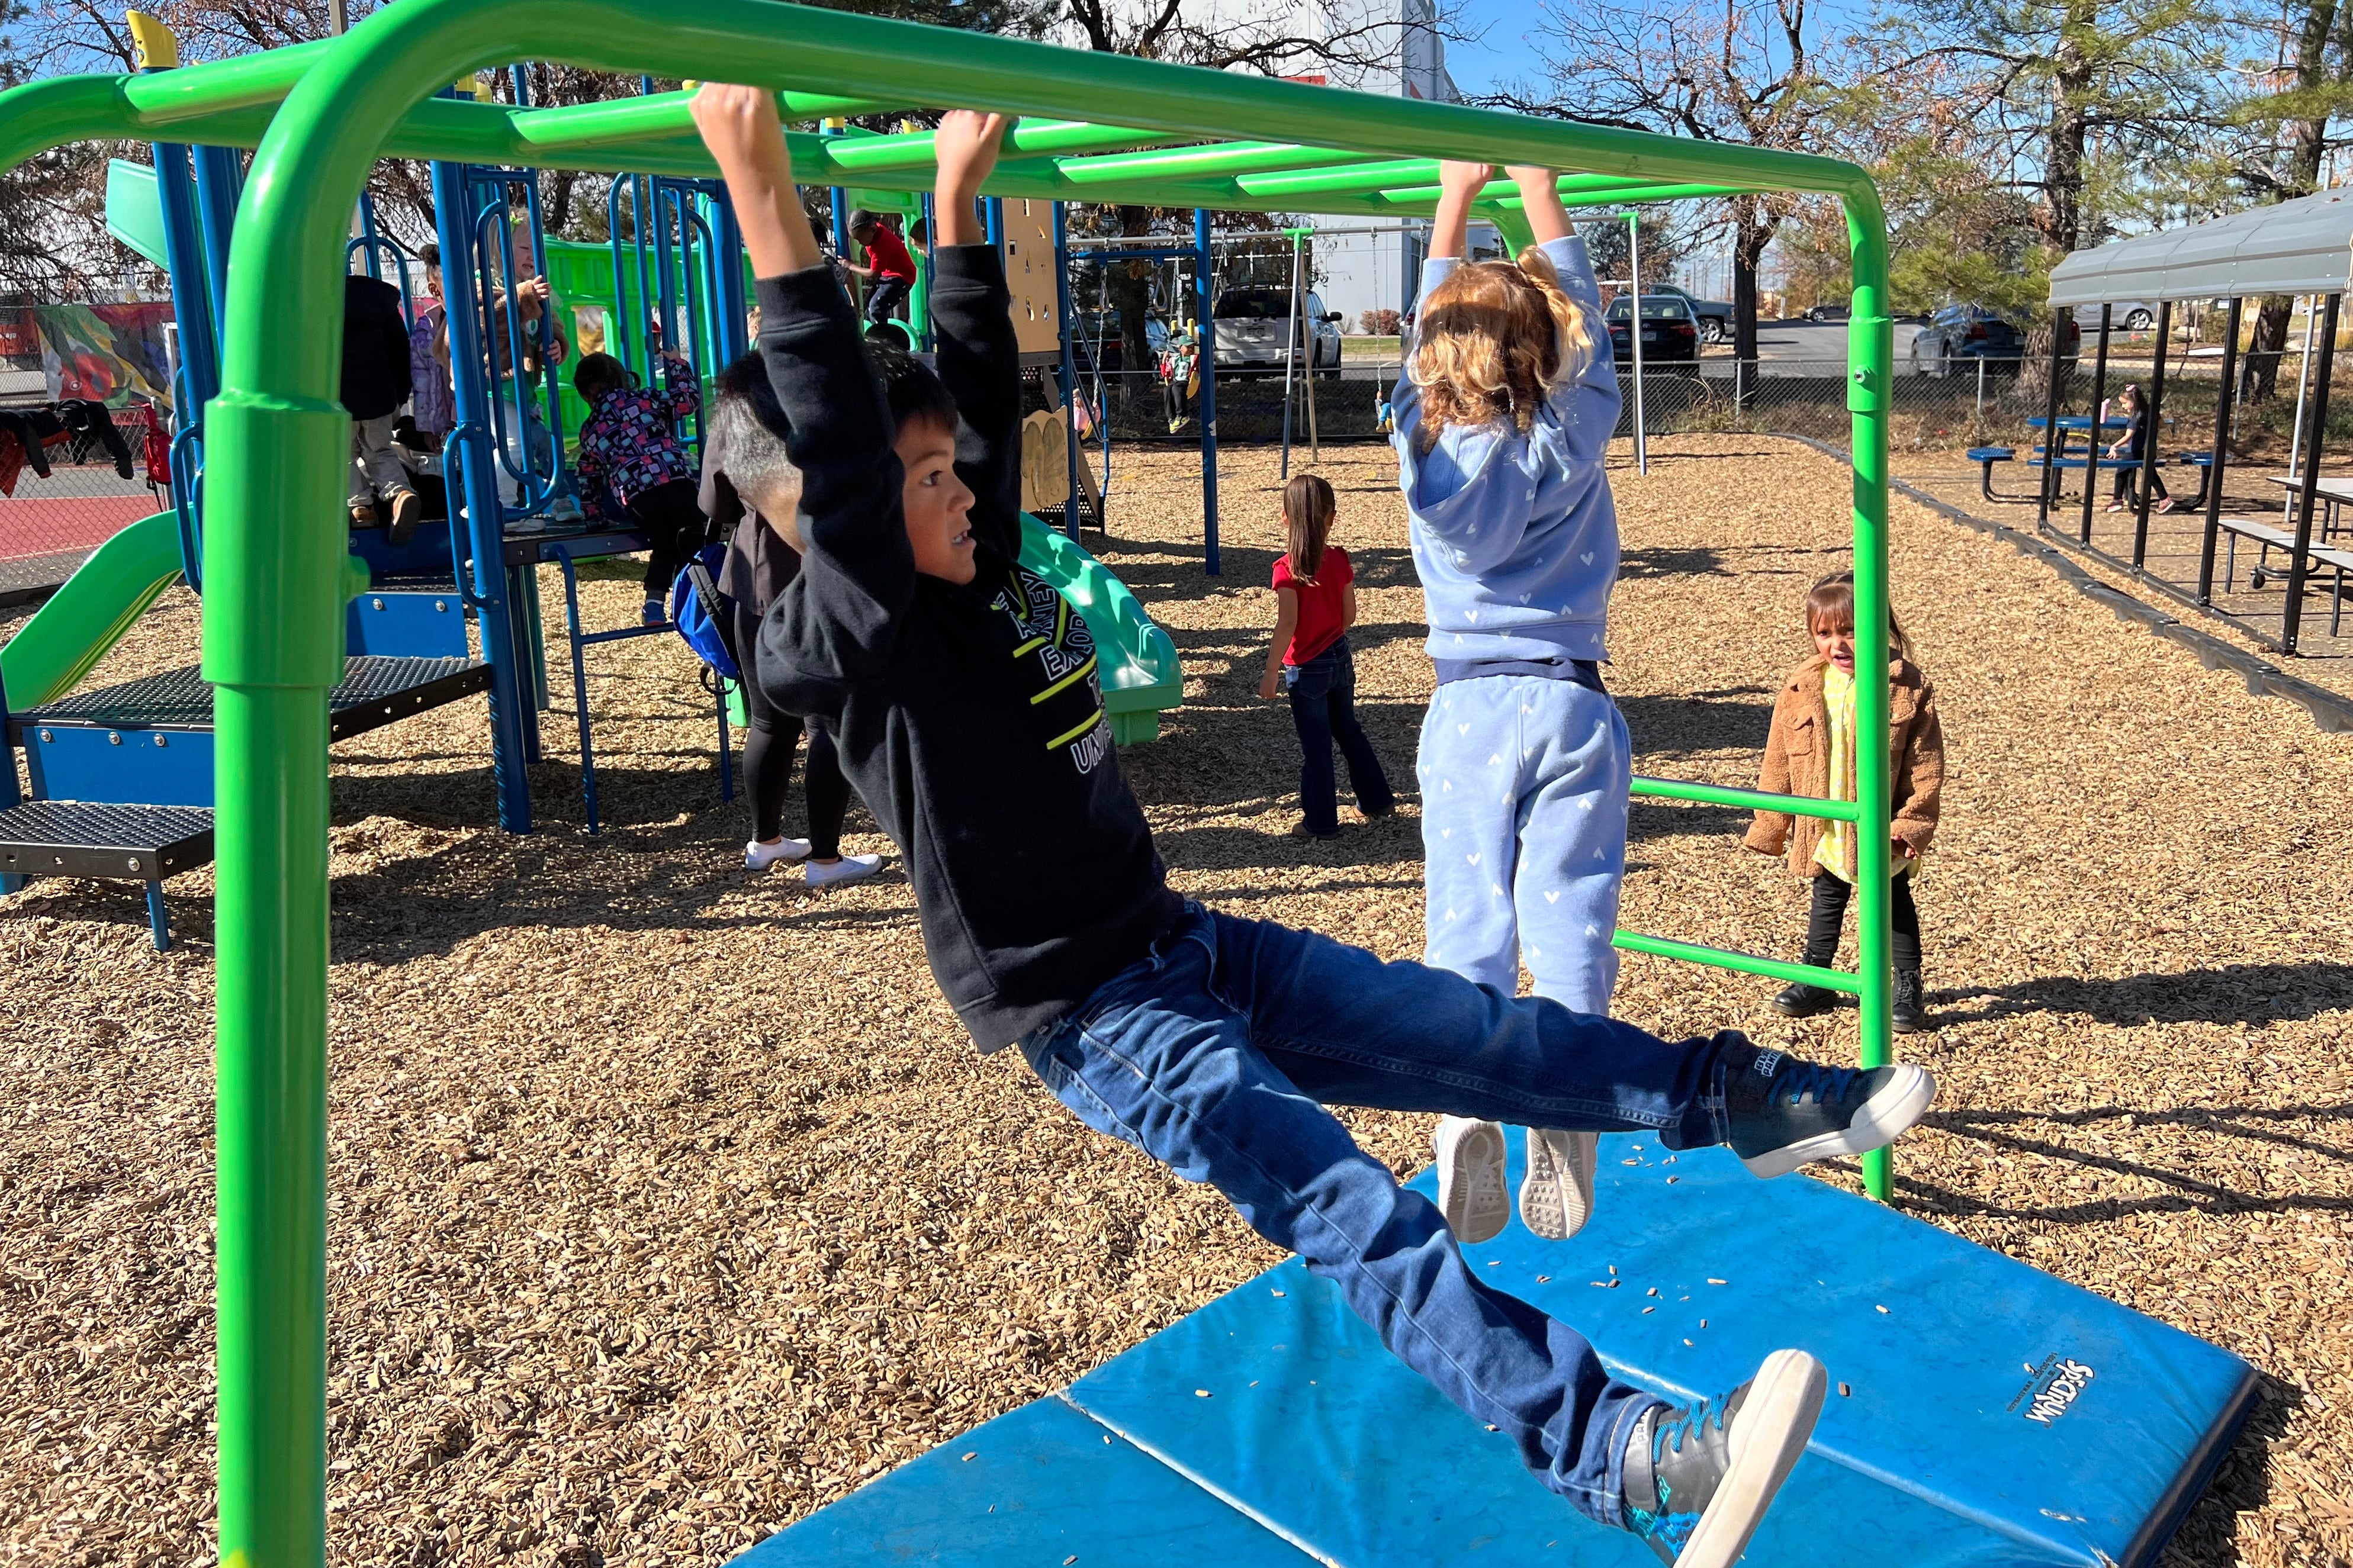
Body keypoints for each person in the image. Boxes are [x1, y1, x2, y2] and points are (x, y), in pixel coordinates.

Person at [692, 83, 1937, 1566]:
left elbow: (954, 401)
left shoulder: (971, 551)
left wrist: (959, 211)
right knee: (1362, 1212)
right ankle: (1618, 1452)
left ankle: (1737, 1099)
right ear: (817, 528)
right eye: (919, 481)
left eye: (952, 462)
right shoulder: (860, 642)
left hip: (1174, 942)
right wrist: (765, 198)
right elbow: (836, 456)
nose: (957, 485)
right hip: (1094, 1013)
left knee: (1480, 1032)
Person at [1396, 162, 1631, 1249]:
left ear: (1434, 363)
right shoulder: (1568, 435)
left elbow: (1420, 339)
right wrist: (1536, 196)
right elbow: (1591, 337)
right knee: (1568, 914)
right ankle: (1570, 1092)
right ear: (1541, 350)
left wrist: (1448, 204)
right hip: (1571, 703)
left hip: (1469, 712)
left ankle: (1459, 1117)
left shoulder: (1423, 452)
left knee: (1468, 922)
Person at [700, 353, 884, 889]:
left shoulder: (735, 405)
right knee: (826, 723)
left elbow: (713, 501)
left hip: (753, 574)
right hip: (822, 571)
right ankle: (825, 859)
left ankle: (766, 841)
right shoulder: (831, 389)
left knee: (765, 720)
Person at [1746, 572, 1945, 1035]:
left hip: (1880, 826)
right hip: (1828, 823)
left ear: (1878, 626)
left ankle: (1907, 984)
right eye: (1825, 633)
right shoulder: (1801, 687)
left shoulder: (1905, 687)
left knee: (1894, 901)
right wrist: (1771, 824)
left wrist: (1911, 824)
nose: (1838, 644)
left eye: (1850, 630)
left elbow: (1925, 764)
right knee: (1826, 897)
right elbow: (1778, 759)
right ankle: (1817, 978)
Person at [1255, 472, 1395, 838]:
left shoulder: (1286, 570)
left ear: (1285, 517)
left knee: (1316, 746)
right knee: (1348, 729)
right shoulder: (1338, 559)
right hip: (1339, 655)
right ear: (1332, 517)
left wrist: (1271, 670)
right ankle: (1377, 800)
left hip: (1305, 667)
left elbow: (1288, 624)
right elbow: (1349, 616)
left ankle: (1320, 821)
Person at [570, 349, 707, 623]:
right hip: (676, 482)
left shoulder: (590, 430)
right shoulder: (646, 399)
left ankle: (654, 604)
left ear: (585, 394)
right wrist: (679, 365)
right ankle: (696, 604)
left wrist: (594, 519)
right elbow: (688, 400)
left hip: (638, 497)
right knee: (692, 539)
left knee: (664, 540)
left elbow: (588, 476)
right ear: (623, 380)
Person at [343, 271, 422, 544]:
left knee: (342, 456)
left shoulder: (320, 303)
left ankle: (361, 507)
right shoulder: (380, 303)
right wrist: (398, 396)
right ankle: (401, 494)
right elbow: (401, 353)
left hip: (338, 400)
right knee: (380, 452)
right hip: (379, 397)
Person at [838, 205, 920, 338]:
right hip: (888, 275)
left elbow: (872, 273)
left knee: (876, 307)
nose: (860, 243)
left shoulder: (881, 244)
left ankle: (882, 340)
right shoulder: (872, 233)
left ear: (872, 230)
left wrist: (850, 266)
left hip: (902, 277)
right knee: (867, 306)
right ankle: (877, 335)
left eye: (860, 240)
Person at [2102, 382, 2170, 514]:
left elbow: (2128, 436)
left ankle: (2117, 500)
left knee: (2121, 472)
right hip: (2149, 449)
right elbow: (2162, 425)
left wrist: (2114, 446)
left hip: (2135, 450)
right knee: (2150, 474)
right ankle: (2165, 499)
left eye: (2124, 403)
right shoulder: (2151, 410)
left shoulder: (2135, 418)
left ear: (2133, 401)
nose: (2123, 406)